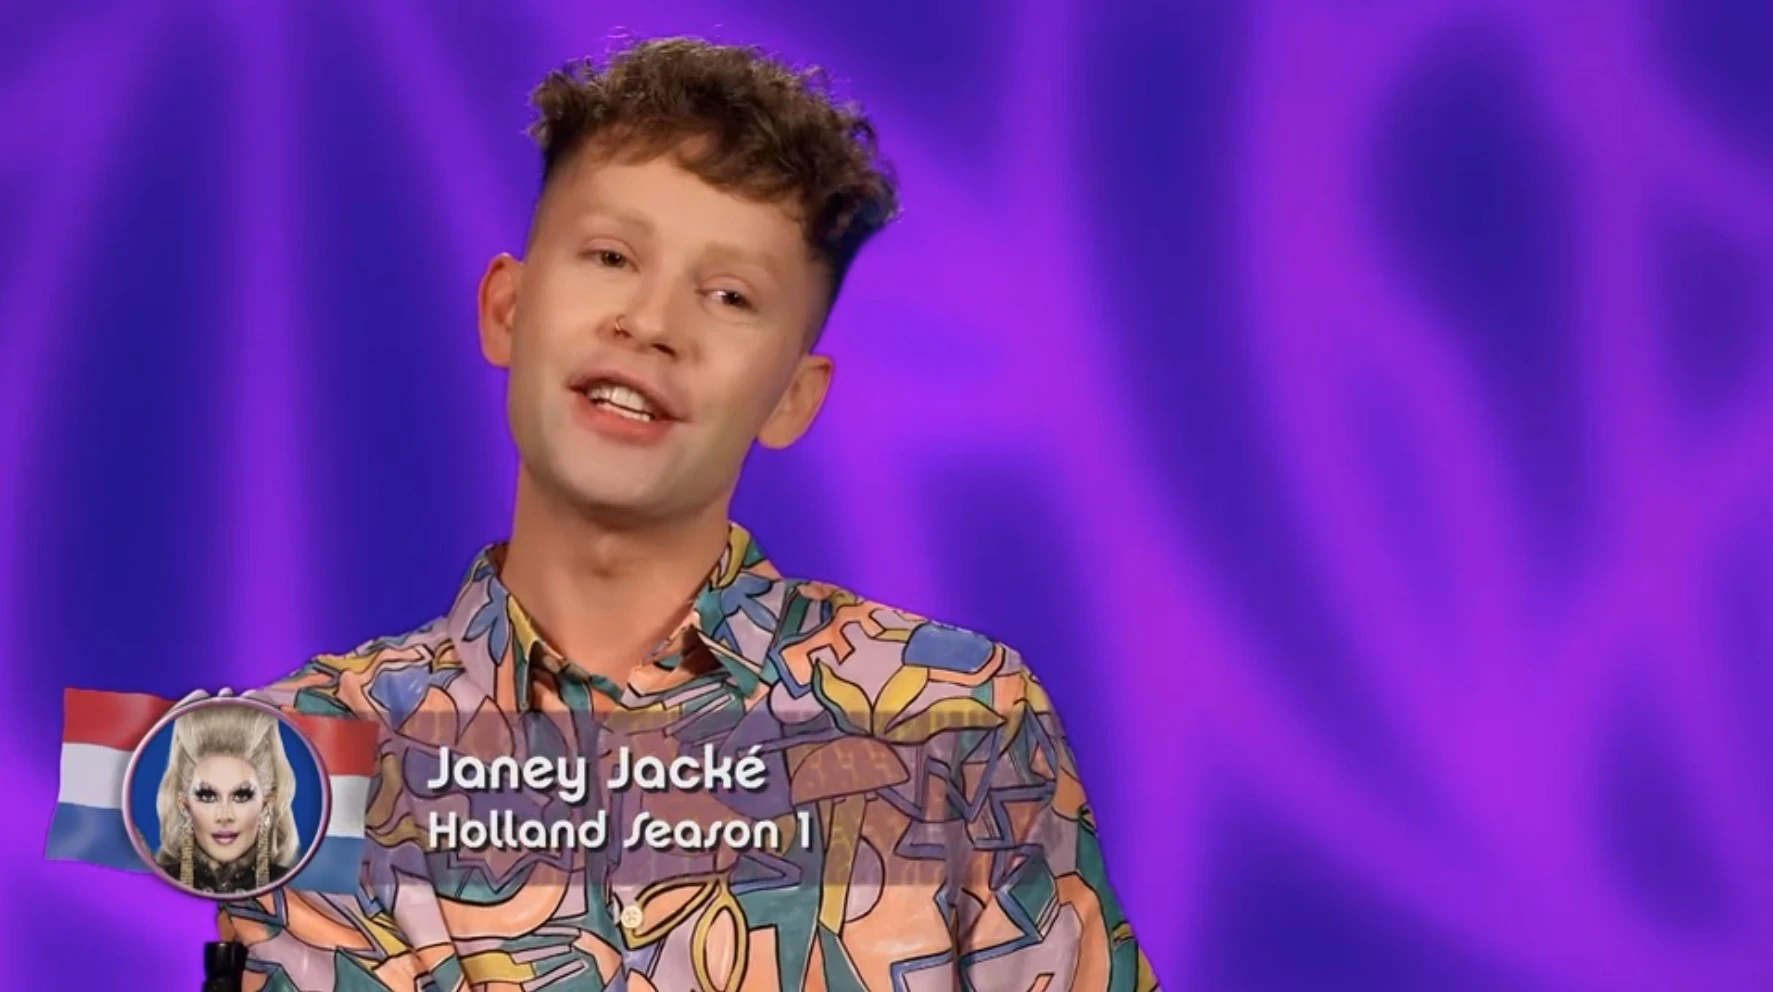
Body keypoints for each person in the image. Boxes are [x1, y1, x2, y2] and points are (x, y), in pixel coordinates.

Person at [217, 36, 1159, 990]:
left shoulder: (956, 718)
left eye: (729, 295)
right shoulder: (298, 757)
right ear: (507, 308)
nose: (653, 323)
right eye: (611, 256)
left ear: (792, 396)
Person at [153, 701, 299, 895]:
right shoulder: (153, 886)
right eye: (207, 796)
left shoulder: (296, 891)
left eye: (241, 796)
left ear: (267, 802)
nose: (224, 816)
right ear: (184, 804)